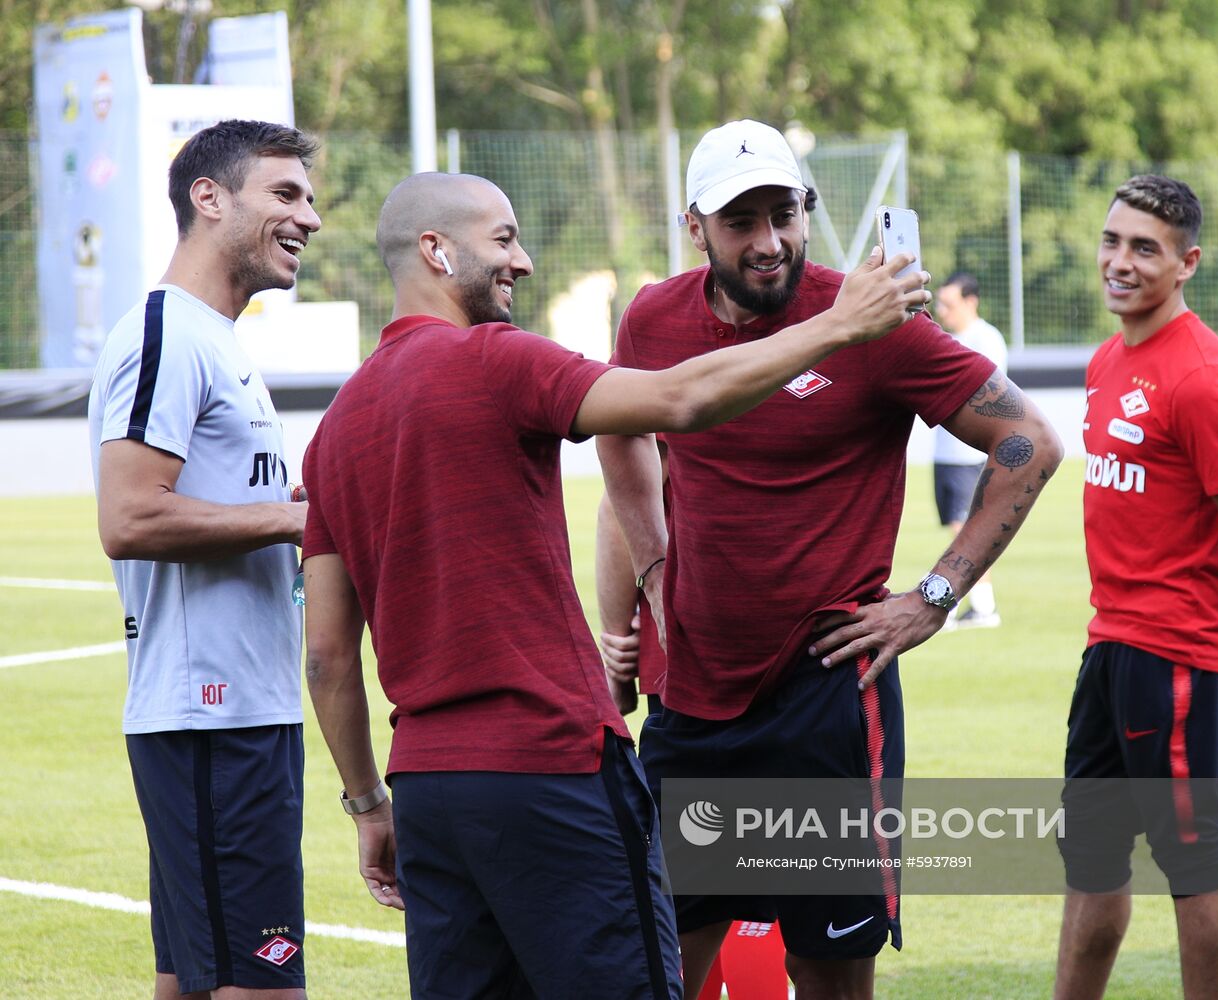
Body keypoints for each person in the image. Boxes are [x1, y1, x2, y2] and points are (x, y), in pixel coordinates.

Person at [299, 171, 926, 999]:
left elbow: (327, 659)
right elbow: (677, 398)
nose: (521, 260)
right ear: (434, 251)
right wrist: (840, 325)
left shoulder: (335, 427)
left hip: (427, 791)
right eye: (503, 239)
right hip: (550, 767)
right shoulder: (495, 359)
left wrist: (367, 806)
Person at [596, 119, 1064, 999]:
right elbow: (621, 440)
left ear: (808, 210)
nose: (767, 242)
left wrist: (932, 596)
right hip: (695, 698)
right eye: (741, 221)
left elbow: (1028, 444)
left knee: (829, 971)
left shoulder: (872, 321)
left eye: (785, 213)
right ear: (694, 226)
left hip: (827, 701)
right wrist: (646, 580)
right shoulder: (654, 319)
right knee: (658, 963)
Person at [87, 119, 320, 1000]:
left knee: (190, 981)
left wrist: (285, 514)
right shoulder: (168, 332)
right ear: (209, 197)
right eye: (286, 193)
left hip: (239, 711)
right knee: (261, 987)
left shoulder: (217, 337)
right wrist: (294, 522)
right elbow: (130, 516)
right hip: (210, 716)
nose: (311, 216)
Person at [1053, 175, 1218, 1000]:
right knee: (1087, 859)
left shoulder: (1202, 379)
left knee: (1193, 862)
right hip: (1108, 646)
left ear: (1185, 263)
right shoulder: (1107, 358)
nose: (1119, 261)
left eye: (1143, 248)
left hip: (1178, 657)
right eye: (1111, 240)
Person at [931, 271, 1010, 629]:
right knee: (957, 527)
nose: (943, 311)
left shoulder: (985, 339)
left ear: (970, 301)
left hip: (970, 455)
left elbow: (988, 393)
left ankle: (982, 606)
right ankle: (974, 604)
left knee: (968, 531)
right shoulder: (950, 338)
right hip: (947, 453)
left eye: (949, 303)